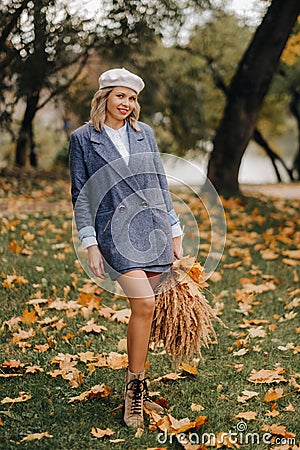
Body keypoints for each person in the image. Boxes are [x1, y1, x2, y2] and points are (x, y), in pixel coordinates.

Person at [69, 68, 183, 428]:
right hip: (113, 234)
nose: (127, 103)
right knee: (144, 303)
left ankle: (137, 382)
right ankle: (134, 394)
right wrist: (90, 242)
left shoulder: (143, 133)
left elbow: (159, 182)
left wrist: (175, 228)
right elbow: (81, 194)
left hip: (153, 228)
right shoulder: (83, 139)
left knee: (146, 312)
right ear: (104, 97)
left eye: (132, 98)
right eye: (121, 96)